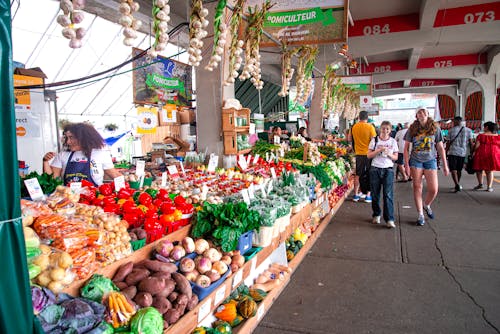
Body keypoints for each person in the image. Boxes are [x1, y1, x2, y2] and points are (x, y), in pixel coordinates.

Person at [404, 107, 449, 226]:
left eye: (424, 112)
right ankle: (420, 214)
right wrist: (406, 164)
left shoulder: (435, 128)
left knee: (434, 189)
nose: (421, 114)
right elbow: (406, 148)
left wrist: (445, 165)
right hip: (416, 161)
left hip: (430, 160)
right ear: (416, 116)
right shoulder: (412, 129)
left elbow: (440, 147)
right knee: (417, 187)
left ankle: (426, 205)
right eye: (419, 113)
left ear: (428, 114)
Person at [43, 122, 122, 186]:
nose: (68, 142)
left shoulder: (100, 154)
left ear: (84, 138)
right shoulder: (62, 155)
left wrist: (130, 182)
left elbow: (114, 174)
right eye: (66, 138)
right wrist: (45, 161)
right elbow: (52, 180)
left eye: (71, 137)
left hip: (94, 200)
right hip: (70, 201)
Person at [367, 121, 399, 228]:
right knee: (375, 194)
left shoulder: (393, 142)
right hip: (375, 169)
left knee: (388, 195)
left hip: (388, 170)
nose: (385, 131)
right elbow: (369, 155)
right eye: (383, 128)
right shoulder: (374, 140)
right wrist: (379, 150)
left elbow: (396, 157)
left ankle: (389, 219)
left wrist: (388, 153)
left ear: (390, 130)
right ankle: (376, 214)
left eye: (387, 129)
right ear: (380, 129)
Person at [351, 110, 377, 203]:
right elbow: (373, 141)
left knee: (358, 174)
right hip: (369, 154)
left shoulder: (354, 127)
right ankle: (368, 196)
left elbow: (350, 139)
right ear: (367, 118)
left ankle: (356, 195)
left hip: (358, 154)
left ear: (359, 117)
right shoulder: (370, 127)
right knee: (370, 173)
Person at [446, 116, 473, 192]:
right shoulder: (469, 130)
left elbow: (448, 143)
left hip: (452, 152)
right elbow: (471, 143)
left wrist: (445, 152)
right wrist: (471, 152)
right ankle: (457, 183)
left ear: (455, 121)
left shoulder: (451, 130)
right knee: (459, 169)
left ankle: (456, 184)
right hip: (462, 153)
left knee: (453, 169)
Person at [471, 121, 500, 192]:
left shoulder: (481, 136)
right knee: (489, 171)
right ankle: (489, 187)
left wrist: (473, 148)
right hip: (493, 154)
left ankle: (480, 184)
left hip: (482, 154)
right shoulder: (497, 136)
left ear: (487, 127)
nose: (483, 128)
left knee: (479, 170)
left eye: (484, 127)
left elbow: (477, 146)